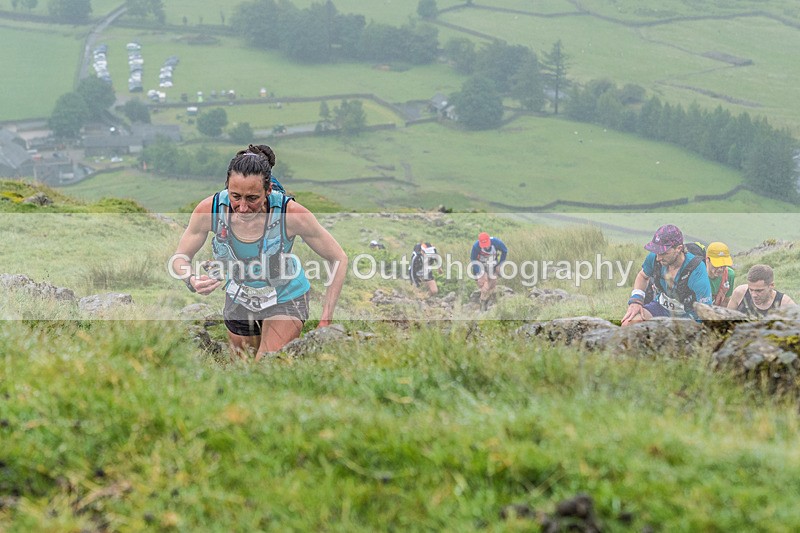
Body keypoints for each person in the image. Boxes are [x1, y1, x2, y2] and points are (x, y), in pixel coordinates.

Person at [171, 144, 348, 360]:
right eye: (235, 196)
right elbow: (180, 258)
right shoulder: (210, 210)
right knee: (244, 371)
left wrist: (326, 319)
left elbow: (338, 258)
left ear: (268, 190)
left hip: (286, 296)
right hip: (239, 297)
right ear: (226, 186)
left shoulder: (291, 214)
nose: (243, 207)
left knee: (266, 365)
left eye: (252, 198)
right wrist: (191, 279)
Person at [622, 224, 712, 325]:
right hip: (661, 308)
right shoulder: (654, 257)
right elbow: (642, 276)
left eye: (663, 253)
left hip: (688, 315)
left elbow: (706, 311)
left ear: (678, 249)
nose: (658, 258)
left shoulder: (697, 269)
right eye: (657, 252)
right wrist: (636, 301)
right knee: (628, 324)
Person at [727, 264, 795, 317]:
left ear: (771, 285)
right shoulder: (740, 293)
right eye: (751, 290)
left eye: (759, 291)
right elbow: (725, 320)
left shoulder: (786, 304)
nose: (754, 295)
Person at [470, 232, 508, 311]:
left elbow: (504, 250)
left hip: (492, 265)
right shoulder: (476, 246)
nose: (485, 246)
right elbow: (473, 260)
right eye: (483, 245)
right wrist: (480, 273)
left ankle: (487, 302)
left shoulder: (496, 242)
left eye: (486, 244)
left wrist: (500, 264)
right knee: (485, 284)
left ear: (489, 241)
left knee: (492, 284)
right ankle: (482, 306)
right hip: (480, 266)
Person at [705, 241, 736, 307]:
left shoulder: (729, 275)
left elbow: (725, 301)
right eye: (717, 264)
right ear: (707, 260)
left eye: (724, 265)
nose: (720, 269)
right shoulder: (697, 275)